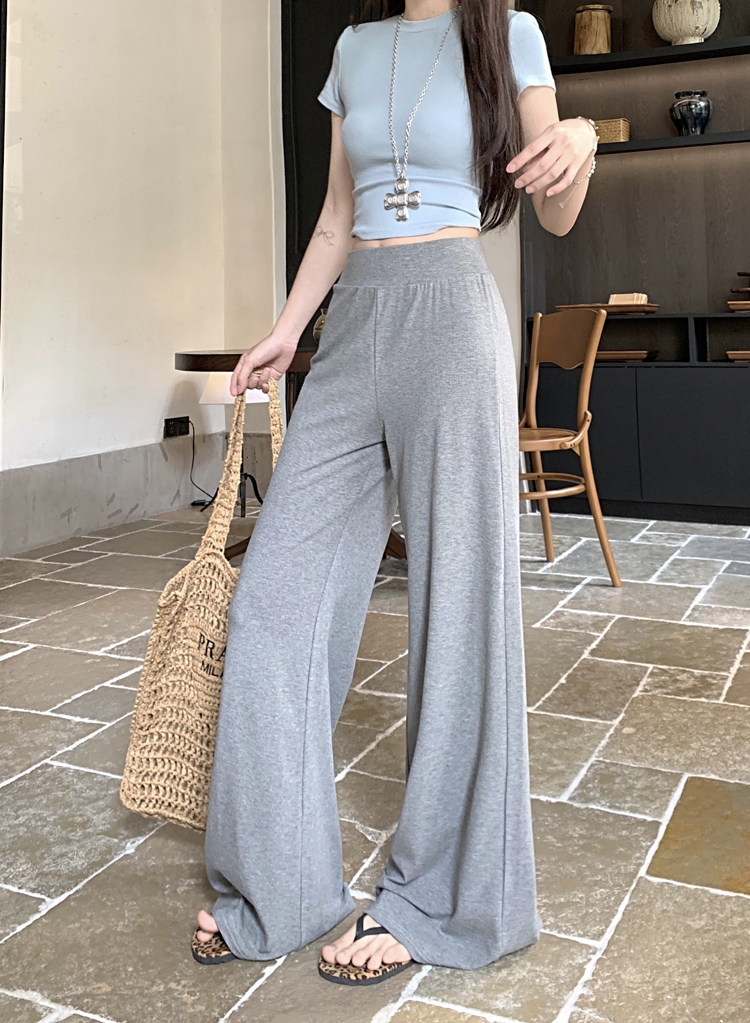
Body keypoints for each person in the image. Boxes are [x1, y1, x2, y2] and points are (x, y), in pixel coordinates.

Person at [191, 0, 598, 986]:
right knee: (273, 603)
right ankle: (280, 886)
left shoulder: (511, 35)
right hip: (354, 325)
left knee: (459, 612)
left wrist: (581, 141)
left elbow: (555, 210)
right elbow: (338, 216)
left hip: (452, 318)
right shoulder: (353, 48)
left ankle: (445, 902)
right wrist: (289, 330)